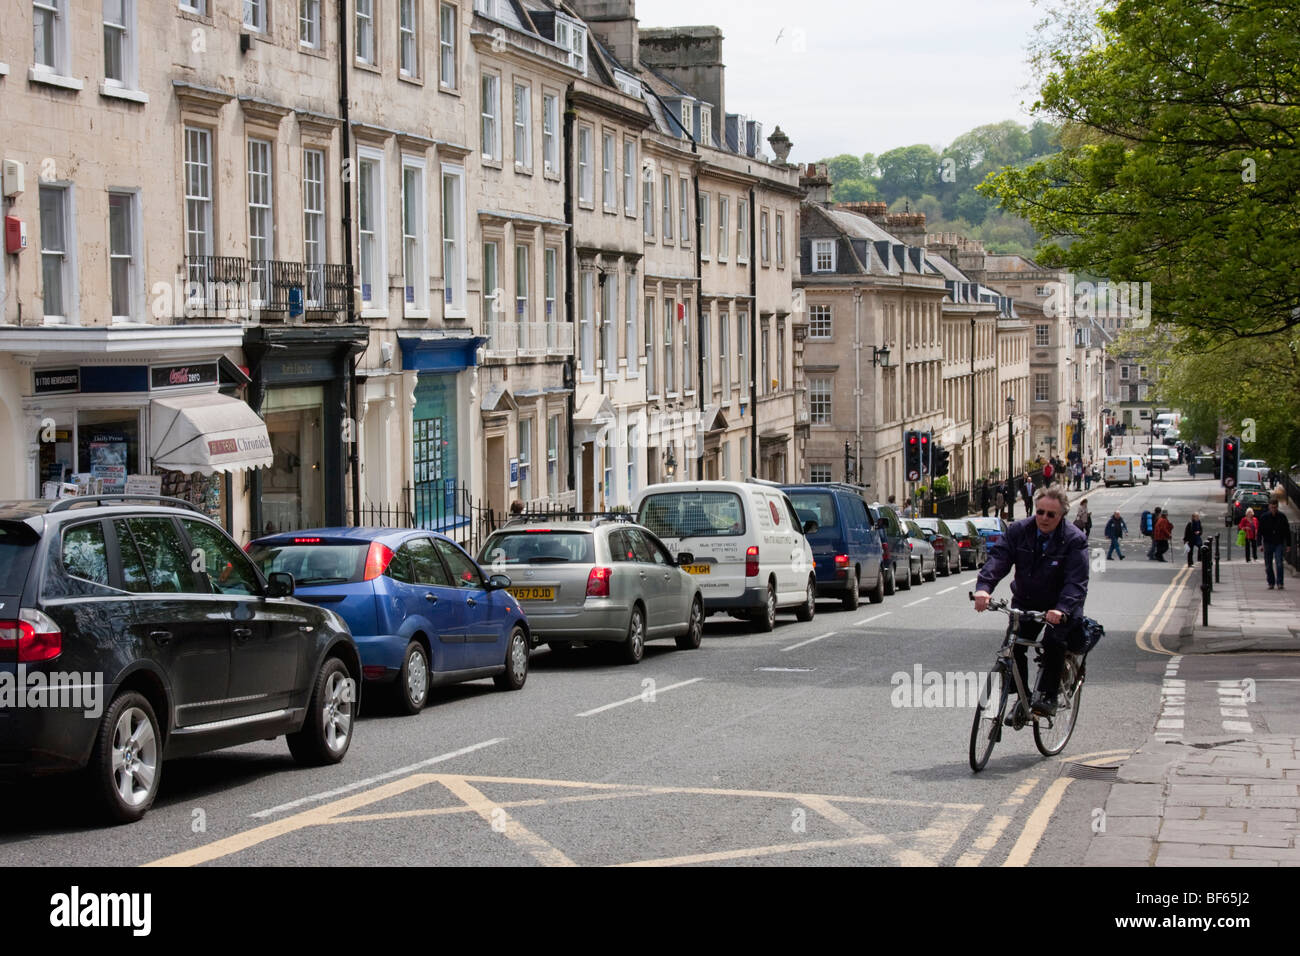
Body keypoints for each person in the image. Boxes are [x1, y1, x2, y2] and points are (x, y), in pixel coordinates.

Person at [974, 486, 1090, 717]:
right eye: (1040, 512)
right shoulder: (1019, 530)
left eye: (1051, 514)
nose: (1044, 518)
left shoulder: (1074, 539)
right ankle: (1022, 695)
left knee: (1053, 642)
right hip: (1027, 600)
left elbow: (1076, 581)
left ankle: (1048, 696)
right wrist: (983, 589)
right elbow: (999, 558)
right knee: (1013, 644)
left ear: (1062, 516)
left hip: (1061, 605)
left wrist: (1061, 609)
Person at [1258, 499, 1292, 590]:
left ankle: (1280, 582)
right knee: (1268, 565)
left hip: (1278, 543)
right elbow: (1260, 531)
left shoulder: (1282, 517)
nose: (1273, 509)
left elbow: (1287, 531)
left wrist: (1289, 544)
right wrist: (1259, 544)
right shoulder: (1264, 517)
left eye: (1275, 507)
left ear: (1277, 507)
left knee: (1279, 563)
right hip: (1268, 543)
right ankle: (1271, 582)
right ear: (1269, 506)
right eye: (1272, 507)